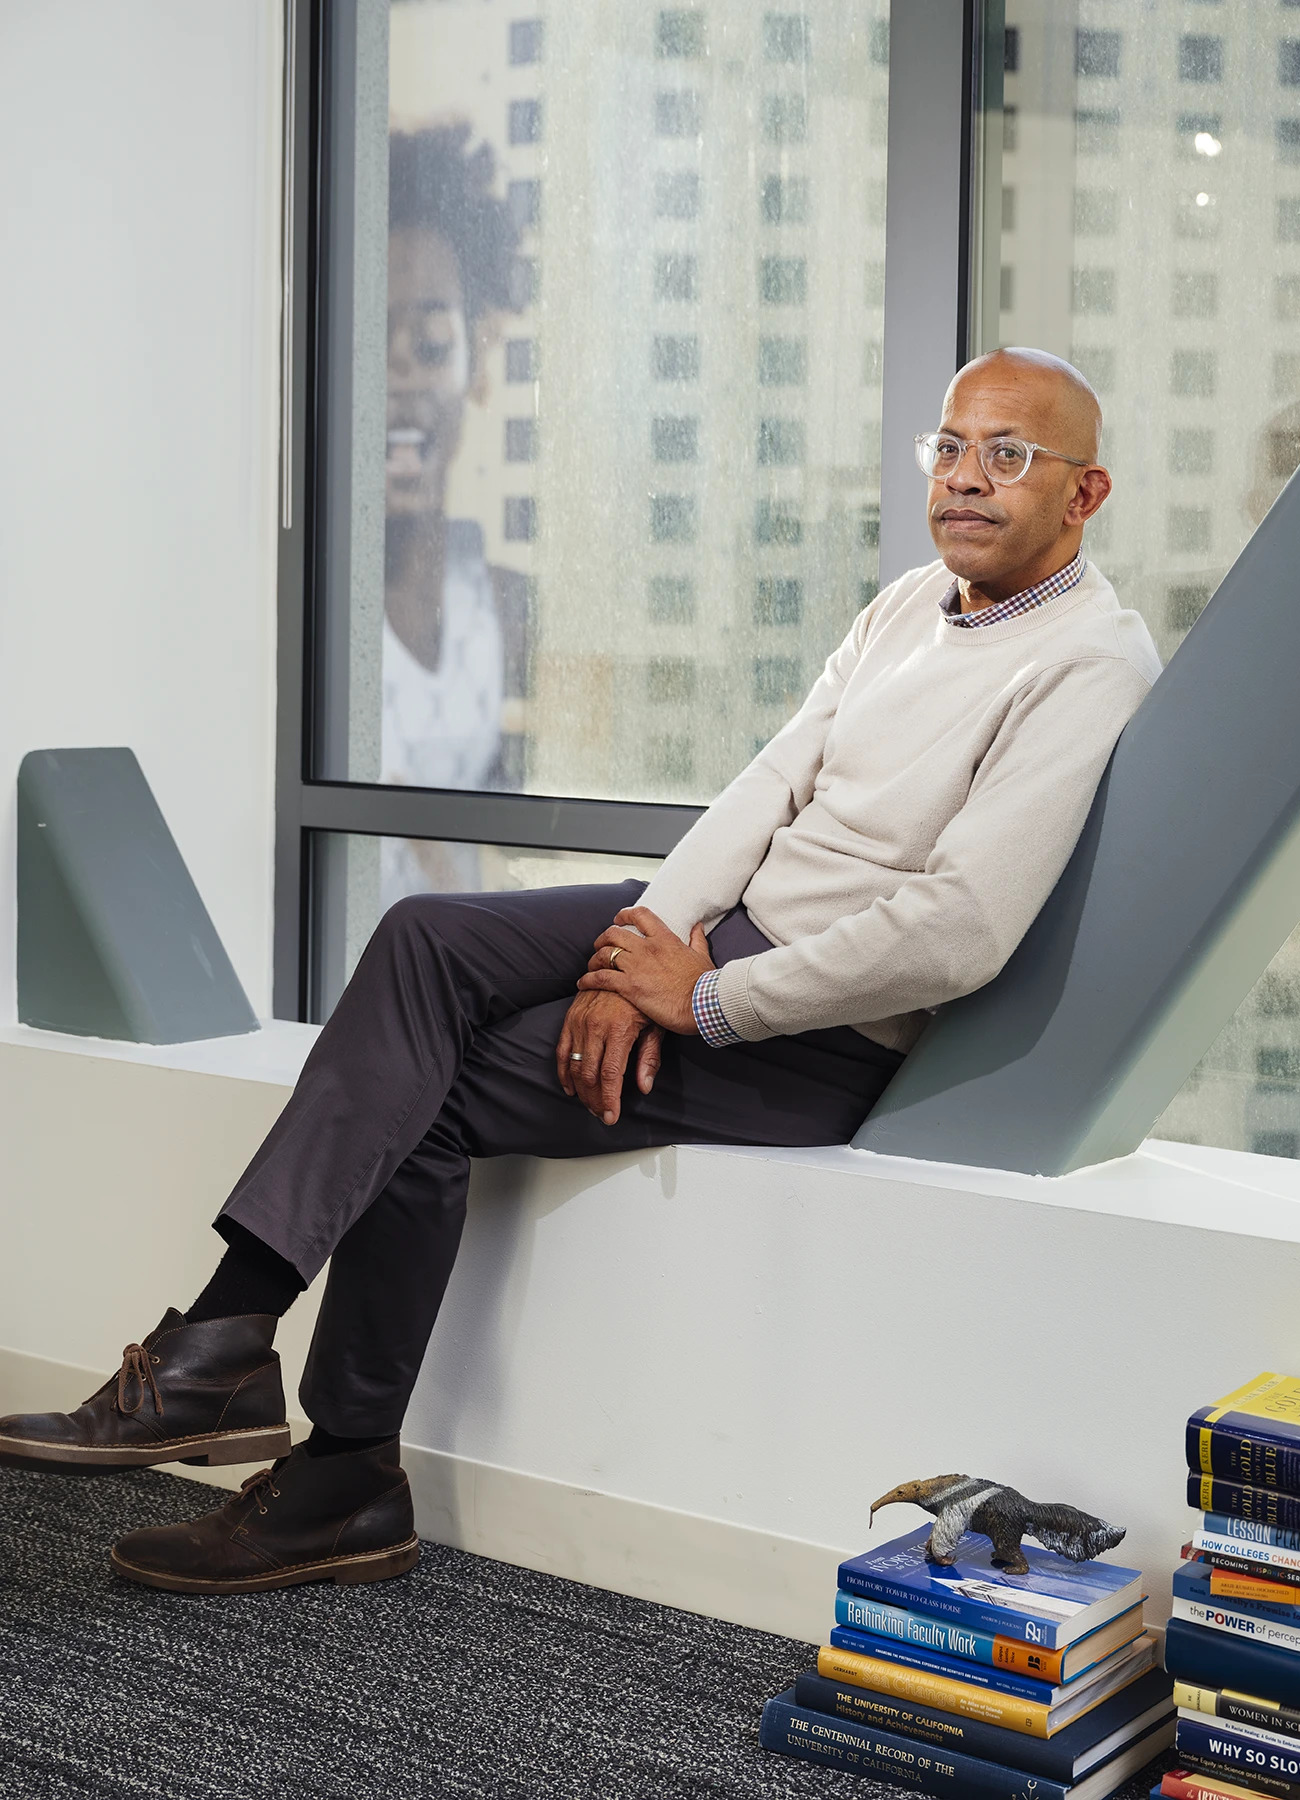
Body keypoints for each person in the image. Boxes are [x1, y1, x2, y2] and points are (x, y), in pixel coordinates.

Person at [0, 348, 1161, 1595]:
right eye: (948, 447)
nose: (965, 480)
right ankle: (241, 1369)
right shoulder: (905, 605)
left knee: (426, 1088)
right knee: (423, 939)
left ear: (1084, 495)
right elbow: (768, 785)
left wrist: (705, 996)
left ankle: (311, 1447)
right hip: (712, 935)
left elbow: (958, 930)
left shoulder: (1091, 662)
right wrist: (636, 956)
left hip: (822, 1025)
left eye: (1007, 455)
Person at [381, 125, 529, 901]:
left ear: (477, 357)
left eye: (431, 343)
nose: (399, 373)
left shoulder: (502, 607)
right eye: (370, 341)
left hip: (460, 999)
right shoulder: (298, 635)